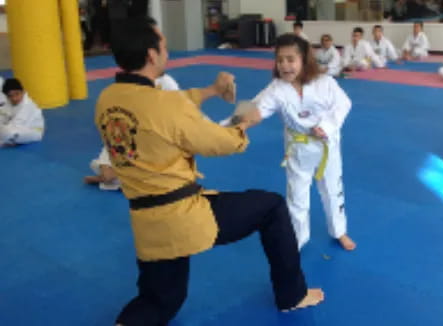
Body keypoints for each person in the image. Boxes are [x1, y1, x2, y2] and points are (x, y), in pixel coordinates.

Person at [97, 17, 323, 326]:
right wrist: (245, 121)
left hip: (146, 224)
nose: (166, 51)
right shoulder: (165, 107)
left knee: (160, 302)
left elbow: (169, 103)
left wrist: (211, 90)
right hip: (183, 215)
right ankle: (292, 295)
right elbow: (222, 142)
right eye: (163, 45)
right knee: (272, 207)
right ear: (151, 55)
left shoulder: (107, 99)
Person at [226, 33, 357, 251]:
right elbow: (255, 109)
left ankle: (339, 231)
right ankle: (297, 238)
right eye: (280, 60)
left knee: (333, 189)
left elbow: (343, 104)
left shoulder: (324, 83)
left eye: (290, 59)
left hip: (327, 145)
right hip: (298, 149)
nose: (285, 66)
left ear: (304, 60)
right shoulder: (277, 88)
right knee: (296, 195)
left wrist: (326, 126)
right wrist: (224, 127)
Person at [0, 78, 44, 147]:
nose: (14, 98)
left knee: (8, 132)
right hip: (12, 127)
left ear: (23, 92)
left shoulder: (27, 105)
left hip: (32, 131)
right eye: (10, 96)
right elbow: (2, 116)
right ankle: (8, 140)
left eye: (17, 94)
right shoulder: (8, 103)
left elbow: (16, 125)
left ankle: (7, 141)